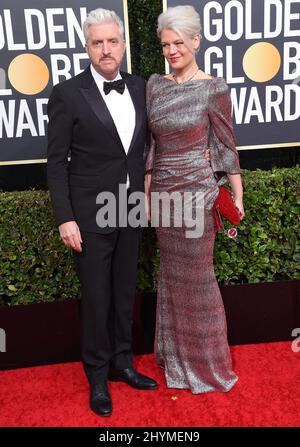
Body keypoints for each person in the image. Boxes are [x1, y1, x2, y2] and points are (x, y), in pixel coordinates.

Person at [47, 8, 158, 417]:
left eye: (113, 41)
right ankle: (96, 375)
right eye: (98, 42)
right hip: (89, 215)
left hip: (130, 208)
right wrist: (65, 217)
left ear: (123, 44)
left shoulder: (141, 86)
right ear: (87, 46)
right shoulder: (68, 94)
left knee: (124, 290)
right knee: (96, 298)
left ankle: (122, 362)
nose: (106, 49)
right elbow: (56, 162)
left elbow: (145, 149)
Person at [144, 5, 245, 394]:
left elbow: (224, 144)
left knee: (200, 280)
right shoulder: (155, 85)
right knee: (170, 277)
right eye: (166, 45)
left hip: (199, 195)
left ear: (196, 42)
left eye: (178, 43)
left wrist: (237, 194)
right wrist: (149, 195)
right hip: (165, 198)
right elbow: (150, 147)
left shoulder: (213, 88)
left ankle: (209, 366)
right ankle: (176, 360)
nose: (171, 51)